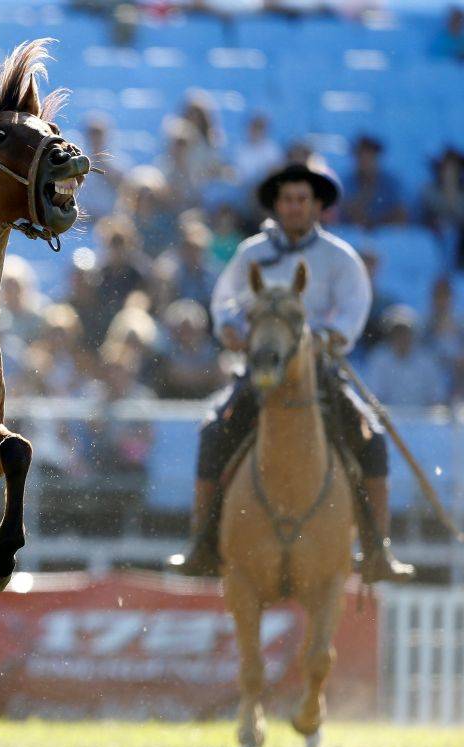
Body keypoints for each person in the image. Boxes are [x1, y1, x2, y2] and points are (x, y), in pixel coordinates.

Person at [168, 163, 414, 584]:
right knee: (213, 433)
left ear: (317, 205)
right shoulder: (251, 253)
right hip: (259, 369)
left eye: (302, 199)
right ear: (277, 205)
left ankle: (377, 550)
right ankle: (202, 542)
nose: (294, 207)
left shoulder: (339, 258)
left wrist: (332, 336)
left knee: (369, 438)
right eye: (287, 199)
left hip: (317, 371)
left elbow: (354, 309)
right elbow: (225, 300)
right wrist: (229, 325)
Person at [364, 306, 449, 408]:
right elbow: (374, 395)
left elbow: (437, 397)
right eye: (397, 332)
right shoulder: (379, 358)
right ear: (390, 334)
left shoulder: (427, 360)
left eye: (405, 331)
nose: (401, 336)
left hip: (424, 421)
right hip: (388, 419)